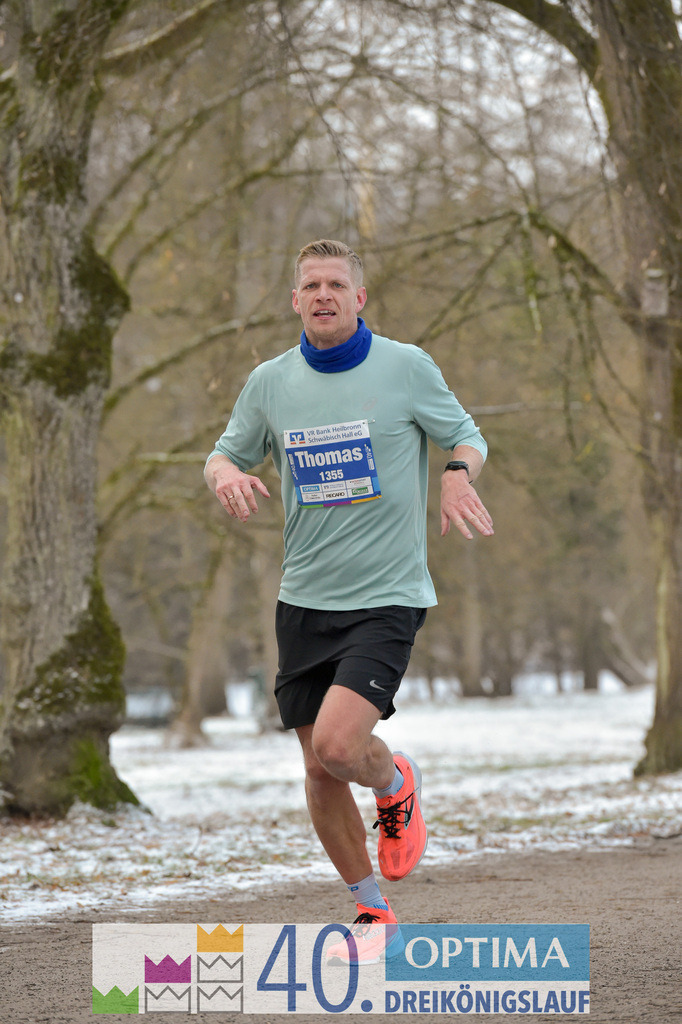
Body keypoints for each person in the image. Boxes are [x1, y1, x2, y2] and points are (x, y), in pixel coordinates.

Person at [205, 239, 493, 963]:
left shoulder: (405, 366)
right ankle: (373, 911)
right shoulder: (270, 382)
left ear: (359, 298)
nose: (323, 294)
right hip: (304, 598)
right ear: (295, 301)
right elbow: (224, 453)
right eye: (311, 285)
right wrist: (224, 475)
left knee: (338, 748)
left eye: (336, 284)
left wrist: (456, 474)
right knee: (317, 768)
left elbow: (466, 436)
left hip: (386, 596)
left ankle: (394, 783)